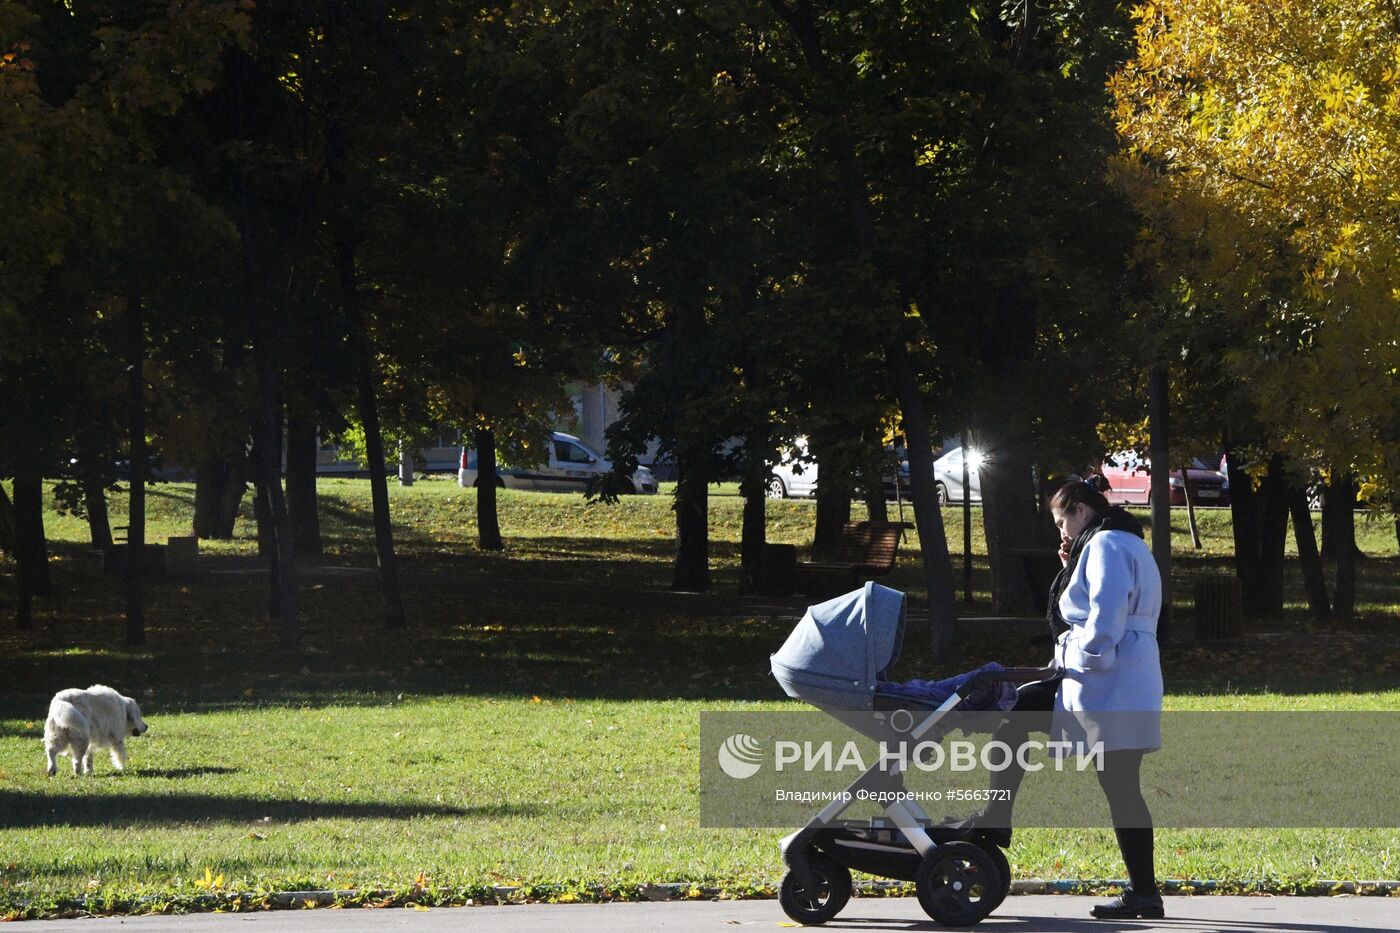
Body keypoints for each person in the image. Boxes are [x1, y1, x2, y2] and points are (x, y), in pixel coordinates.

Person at [977, 476, 1164, 920]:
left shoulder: (1105, 547)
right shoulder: (1122, 543)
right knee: (1116, 784)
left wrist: (1075, 660)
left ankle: (996, 818)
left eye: (1063, 521)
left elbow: (1104, 622)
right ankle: (1144, 892)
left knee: (1117, 785)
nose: (1061, 531)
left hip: (1107, 681)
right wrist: (1071, 564)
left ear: (1081, 511)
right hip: (1119, 681)